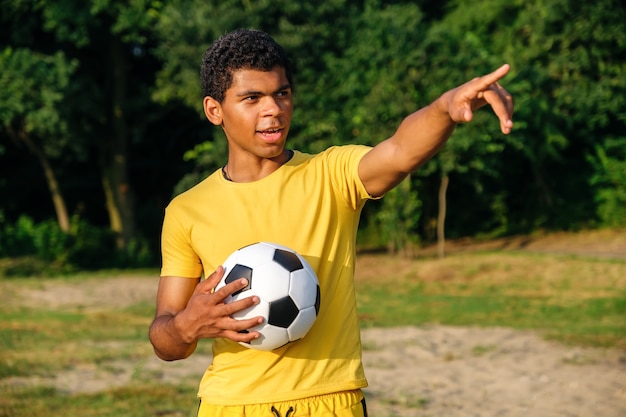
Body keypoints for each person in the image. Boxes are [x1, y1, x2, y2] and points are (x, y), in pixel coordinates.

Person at [149, 28, 513, 417]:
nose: (273, 109)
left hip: (331, 402)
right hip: (230, 405)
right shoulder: (188, 210)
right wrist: (188, 324)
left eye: (282, 93)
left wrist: (444, 109)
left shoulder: (330, 174)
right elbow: (165, 340)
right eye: (252, 98)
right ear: (214, 110)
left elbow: (401, 150)